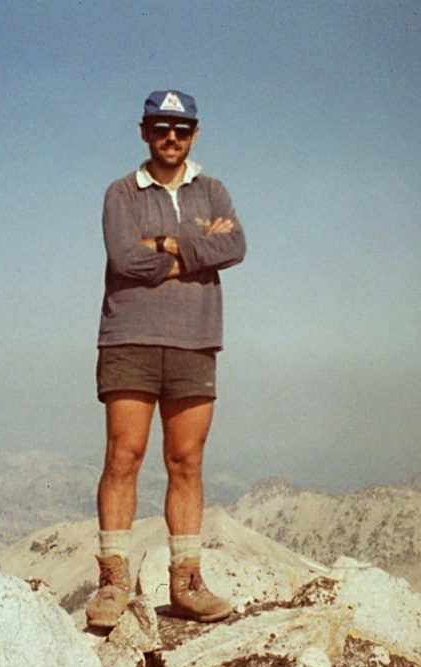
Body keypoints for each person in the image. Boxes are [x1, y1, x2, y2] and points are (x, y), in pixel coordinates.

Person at [86, 90, 246, 627]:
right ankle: (112, 583)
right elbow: (124, 256)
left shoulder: (214, 190)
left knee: (187, 462)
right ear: (144, 132)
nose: (171, 137)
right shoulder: (121, 193)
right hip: (129, 338)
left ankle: (187, 582)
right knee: (124, 456)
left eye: (181, 128)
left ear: (194, 134)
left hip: (196, 340)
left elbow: (236, 246)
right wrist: (193, 245)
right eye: (161, 128)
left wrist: (165, 244)